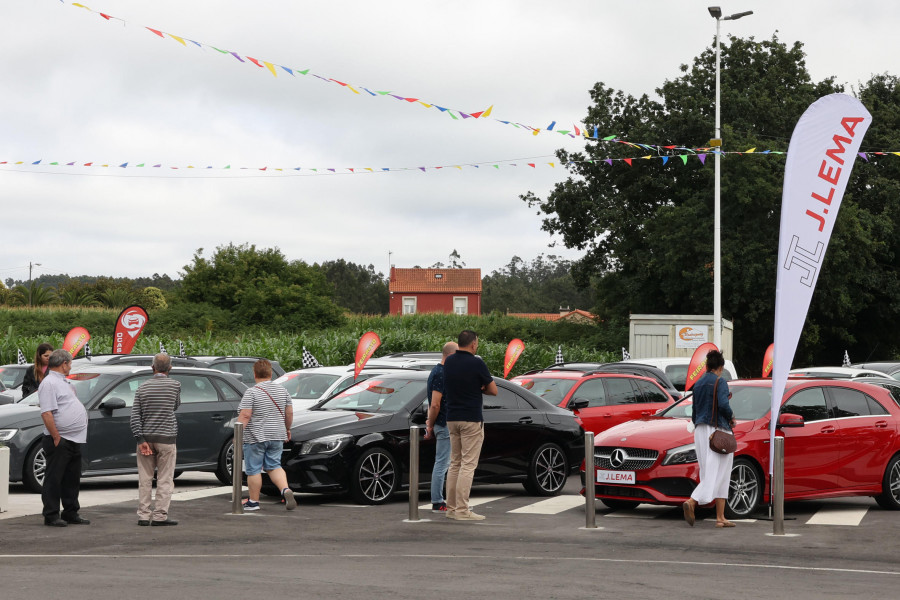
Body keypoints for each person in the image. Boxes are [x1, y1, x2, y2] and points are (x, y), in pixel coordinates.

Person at [443, 330, 497, 521]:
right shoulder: (477, 363)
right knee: (468, 465)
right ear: (473, 344)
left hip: (452, 417)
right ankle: (463, 510)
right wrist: (479, 387)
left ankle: (451, 508)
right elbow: (493, 390)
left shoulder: (449, 362)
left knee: (455, 463)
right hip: (471, 418)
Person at [682, 349, 736, 528]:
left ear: (707, 366)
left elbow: (695, 411)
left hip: (700, 430)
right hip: (718, 431)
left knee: (709, 471)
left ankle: (720, 517)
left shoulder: (697, 384)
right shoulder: (720, 382)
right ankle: (692, 501)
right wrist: (731, 417)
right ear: (720, 367)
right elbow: (723, 405)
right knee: (721, 472)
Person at [38, 349, 90, 527]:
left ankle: (70, 511)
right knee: (54, 478)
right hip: (60, 438)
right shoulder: (49, 383)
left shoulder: (63, 382)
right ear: (64, 364)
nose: (70, 367)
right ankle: (51, 514)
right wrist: (56, 436)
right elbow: (46, 412)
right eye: (70, 364)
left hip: (74, 438)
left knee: (71, 478)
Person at [236, 359, 296, 511]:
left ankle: (254, 502)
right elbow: (289, 413)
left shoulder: (252, 392)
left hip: (256, 437)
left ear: (255, 374)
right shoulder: (283, 391)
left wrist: (237, 435)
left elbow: (245, 415)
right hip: (277, 435)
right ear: (271, 374)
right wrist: (287, 428)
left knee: (254, 469)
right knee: (274, 466)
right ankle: (285, 490)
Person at [130, 353, 181, 526]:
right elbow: (175, 406)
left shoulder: (142, 388)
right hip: (167, 438)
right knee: (165, 478)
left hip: (146, 437)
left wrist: (140, 439)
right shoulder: (175, 385)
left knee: (145, 479)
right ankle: (160, 516)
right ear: (170, 368)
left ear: (153, 368)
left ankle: (143, 515)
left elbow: (135, 416)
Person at [423, 341, 458, 513]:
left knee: (444, 462)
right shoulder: (441, 374)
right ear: (450, 355)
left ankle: (440, 499)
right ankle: (437, 501)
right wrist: (430, 424)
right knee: (442, 463)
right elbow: (435, 404)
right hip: (443, 424)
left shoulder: (437, 371)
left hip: (442, 423)